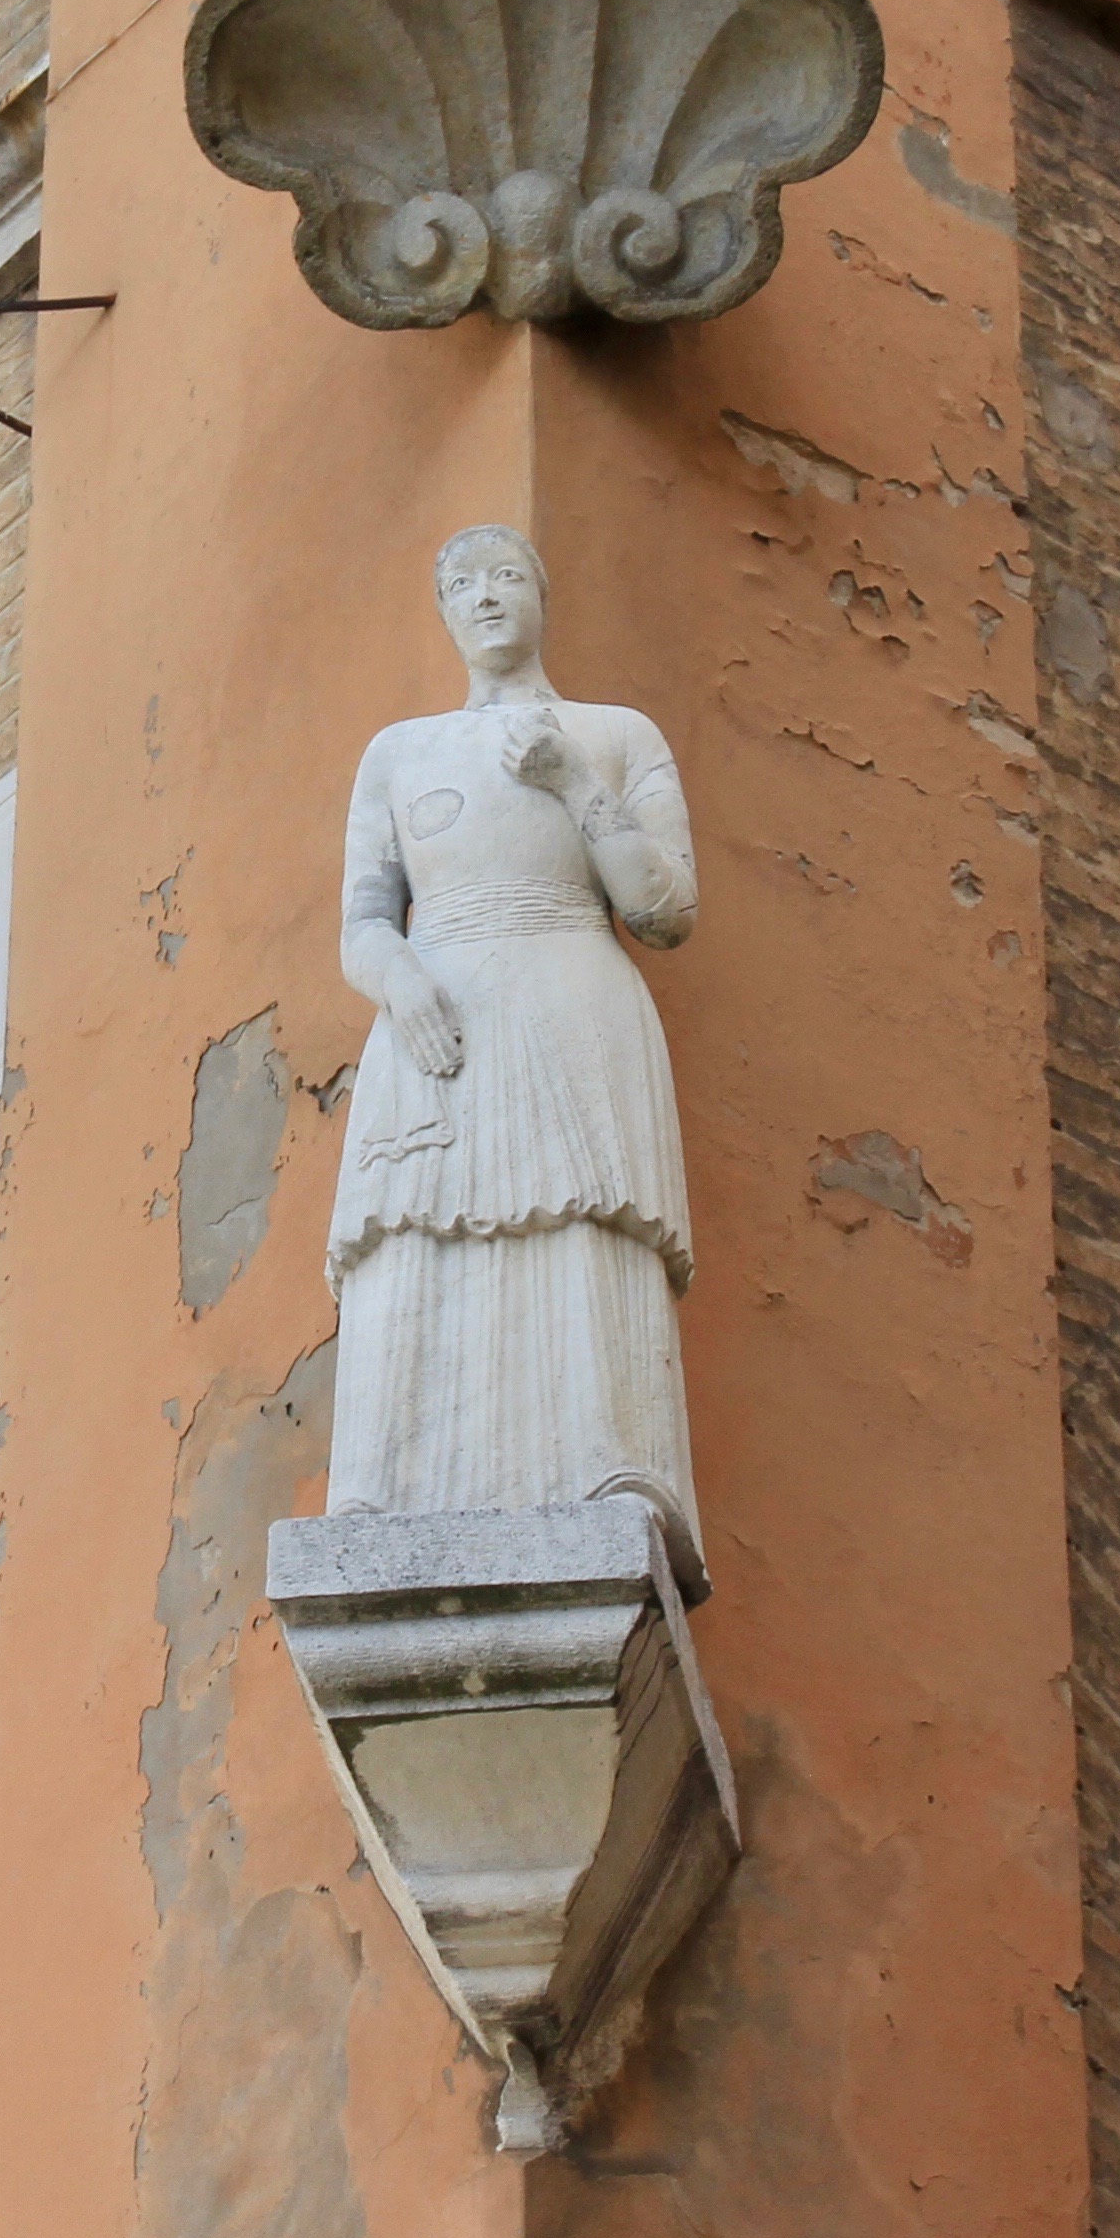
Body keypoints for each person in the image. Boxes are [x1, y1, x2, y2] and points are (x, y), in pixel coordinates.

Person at [326, 523, 701, 1571]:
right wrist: (399, 980)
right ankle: (383, 1484)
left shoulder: (615, 733)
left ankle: (606, 1461)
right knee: (412, 1231)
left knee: (578, 1217)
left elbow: (665, 908)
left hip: (570, 986)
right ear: (440, 611)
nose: (483, 596)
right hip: (436, 1005)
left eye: (504, 577)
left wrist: (573, 781)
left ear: (541, 594)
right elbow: (362, 919)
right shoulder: (397, 754)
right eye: (459, 582)